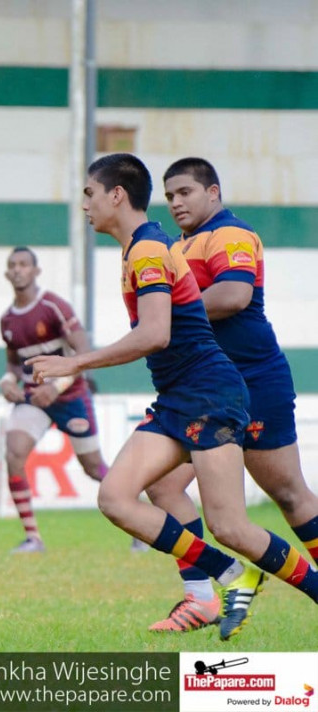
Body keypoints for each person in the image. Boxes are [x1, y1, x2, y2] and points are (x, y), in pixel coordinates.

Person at [27, 153, 318, 641]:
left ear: (116, 195)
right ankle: (228, 577)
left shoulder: (149, 250)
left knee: (232, 524)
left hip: (210, 393)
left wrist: (75, 362)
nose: (84, 206)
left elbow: (156, 334)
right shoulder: (144, 248)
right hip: (179, 397)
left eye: (89, 195)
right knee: (116, 498)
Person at [142, 157, 318, 633]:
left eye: (186, 192)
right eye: (170, 194)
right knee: (161, 486)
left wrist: (167, 316)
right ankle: (200, 598)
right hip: (207, 390)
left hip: (253, 382)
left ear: (213, 193)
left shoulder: (230, 235)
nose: (176, 202)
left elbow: (235, 296)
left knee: (287, 493)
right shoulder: (179, 245)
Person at [0, 246, 111, 554]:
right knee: (14, 452)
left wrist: (58, 386)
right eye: (13, 265)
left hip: (71, 395)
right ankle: (33, 537)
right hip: (34, 398)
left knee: (92, 467)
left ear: (36, 271)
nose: (18, 270)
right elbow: (13, 364)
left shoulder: (53, 306)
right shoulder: (7, 320)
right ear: (8, 273)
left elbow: (84, 350)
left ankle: (138, 516)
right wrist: (8, 382)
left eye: (24, 264)